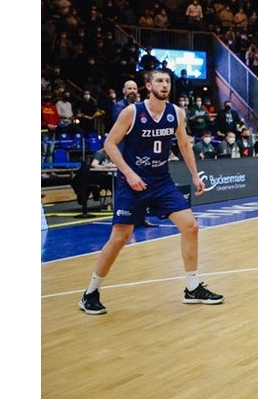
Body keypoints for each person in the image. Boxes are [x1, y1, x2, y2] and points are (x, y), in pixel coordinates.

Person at [77, 69, 222, 314]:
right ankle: (90, 293)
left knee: (190, 226)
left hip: (161, 181)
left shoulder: (176, 113)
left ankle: (192, 287)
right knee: (120, 238)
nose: (164, 85)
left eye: (167, 81)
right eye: (159, 81)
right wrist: (129, 173)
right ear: (148, 86)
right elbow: (109, 144)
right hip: (133, 182)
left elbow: (184, 144)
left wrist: (195, 175)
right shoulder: (132, 112)